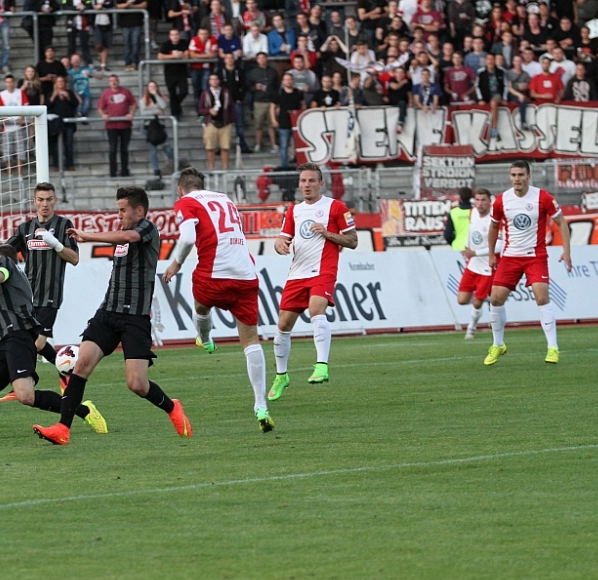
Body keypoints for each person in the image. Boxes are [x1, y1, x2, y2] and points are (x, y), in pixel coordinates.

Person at [32, 186, 193, 445]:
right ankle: (63, 428)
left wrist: (87, 235)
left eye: (123, 210)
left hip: (134, 318)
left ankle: (172, 407)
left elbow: (127, 236)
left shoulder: (147, 229)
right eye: (118, 210)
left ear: (139, 210)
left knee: (137, 384)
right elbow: (122, 237)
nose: (119, 215)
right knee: (81, 366)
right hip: (107, 313)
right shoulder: (122, 235)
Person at [0, 244, 107, 441]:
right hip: (3, 344)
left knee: (26, 396)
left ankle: (83, 410)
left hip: (18, 339)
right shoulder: (10, 271)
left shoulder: (5, 264)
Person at [161, 168, 273, 432]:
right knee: (250, 340)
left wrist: (176, 263)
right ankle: (261, 406)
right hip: (246, 274)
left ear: (180, 189)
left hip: (214, 273)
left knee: (201, 305)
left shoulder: (186, 202)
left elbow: (188, 237)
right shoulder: (225, 198)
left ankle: (205, 337)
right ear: (203, 185)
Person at [0, 182, 81, 398]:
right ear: (34, 201)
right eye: (41, 200)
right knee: (30, 341)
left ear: (55, 200)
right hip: (26, 297)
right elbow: (3, 254)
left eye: (49, 199)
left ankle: (30, 380)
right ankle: (54, 374)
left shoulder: (64, 225)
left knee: (38, 342)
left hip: (50, 294)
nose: (45, 204)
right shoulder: (25, 229)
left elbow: (74, 258)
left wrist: (55, 243)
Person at [269, 164, 358, 398]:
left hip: (323, 270)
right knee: (283, 324)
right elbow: (282, 238)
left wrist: (327, 233)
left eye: (311, 180)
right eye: (303, 181)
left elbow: (353, 241)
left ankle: (321, 366)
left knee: (316, 309)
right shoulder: (294, 211)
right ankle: (281, 376)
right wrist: (279, 244)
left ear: (321, 183)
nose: (306, 185)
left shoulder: (336, 207)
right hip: (297, 273)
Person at [485, 161, 572, 366]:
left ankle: (552, 347)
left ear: (528, 176)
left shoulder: (543, 197)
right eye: (513, 175)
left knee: (542, 297)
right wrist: (491, 254)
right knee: (495, 299)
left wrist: (566, 251)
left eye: (521, 175)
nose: (517, 179)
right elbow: (493, 227)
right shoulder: (501, 200)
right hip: (510, 257)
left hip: (535, 255)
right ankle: (498, 344)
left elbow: (561, 222)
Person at [455, 188, 503, 340]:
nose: (480, 203)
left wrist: (476, 252)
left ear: (489, 202)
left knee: (476, 303)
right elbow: (471, 232)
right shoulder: (472, 213)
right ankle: (488, 298)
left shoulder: (494, 219)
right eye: (477, 200)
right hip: (473, 265)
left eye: (483, 200)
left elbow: (499, 246)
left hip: (488, 267)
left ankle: (471, 329)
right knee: (462, 300)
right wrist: (467, 246)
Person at [98, 74, 136, 177]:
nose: (113, 82)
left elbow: (134, 104)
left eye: (115, 80)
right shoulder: (106, 94)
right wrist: (103, 115)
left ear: (118, 81)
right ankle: (112, 172)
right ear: (109, 83)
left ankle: (125, 171)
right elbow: (100, 108)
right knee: (113, 149)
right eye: (111, 81)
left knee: (124, 149)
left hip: (125, 125)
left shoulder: (126, 92)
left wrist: (131, 113)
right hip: (111, 126)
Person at [0, 74, 29, 177]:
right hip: (7, 128)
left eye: (11, 81)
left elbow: (26, 105)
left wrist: (22, 117)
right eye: (7, 82)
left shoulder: (20, 92)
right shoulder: (2, 94)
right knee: (7, 151)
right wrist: (3, 118)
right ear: (5, 83)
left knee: (20, 150)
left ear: (14, 82)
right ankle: (9, 173)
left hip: (19, 126)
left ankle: (20, 173)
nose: (9, 84)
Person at [215, 53, 250, 153]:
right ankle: (222, 146)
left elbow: (244, 86)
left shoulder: (239, 71)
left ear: (234, 59)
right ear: (224, 60)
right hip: (223, 103)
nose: (230, 60)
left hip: (236, 101)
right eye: (228, 58)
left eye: (231, 58)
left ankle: (242, 145)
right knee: (222, 124)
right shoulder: (220, 72)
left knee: (239, 125)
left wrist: (240, 98)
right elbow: (216, 86)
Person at [139, 80, 176, 175]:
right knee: (153, 150)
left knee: (167, 148)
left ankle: (173, 162)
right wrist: (156, 110)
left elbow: (163, 106)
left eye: (154, 86)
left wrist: (156, 96)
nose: (152, 88)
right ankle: (156, 169)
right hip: (149, 127)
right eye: (150, 87)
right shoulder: (143, 100)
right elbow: (143, 113)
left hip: (160, 126)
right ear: (147, 88)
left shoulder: (161, 97)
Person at [198, 72, 234, 170]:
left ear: (219, 81)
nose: (214, 81)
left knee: (225, 147)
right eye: (212, 79)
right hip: (211, 123)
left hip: (225, 123)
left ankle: (225, 168)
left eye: (215, 79)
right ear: (209, 82)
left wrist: (231, 121)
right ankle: (211, 168)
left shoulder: (226, 92)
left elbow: (231, 107)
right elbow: (200, 109)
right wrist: (209, 111)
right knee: (210, 147)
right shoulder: (205, 94)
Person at [45, 76, 80, 170]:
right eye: (58, 81)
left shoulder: (70, 92)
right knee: (56, 146)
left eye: (62, 81)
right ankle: (56, 165)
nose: (60, 83)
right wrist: (54, 96)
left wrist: (68, 97)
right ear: (55, 83)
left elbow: (76, 104)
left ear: (64, 83)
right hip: (56, 124)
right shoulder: (51, 93)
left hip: (68, 123)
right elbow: (47, 105)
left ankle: (70, 164)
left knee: (69, 144)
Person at [158, 27, 191, 120]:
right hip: (169, 73)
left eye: (176, 34)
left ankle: (176, 106)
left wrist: (180, 56)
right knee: (172, 94)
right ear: (170, 36)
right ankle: (175, 114)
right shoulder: (166, 44)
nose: (175, 37)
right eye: (173, 35)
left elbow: (187, 55)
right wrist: (174, 56)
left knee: (184, 91)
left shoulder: (184, 43)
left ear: (179, 35)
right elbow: (160, 56)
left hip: (181, 72)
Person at [271, 72, 304, 167]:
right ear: (283, 81)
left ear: (293, 81)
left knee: (299, 145)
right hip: (283, 122)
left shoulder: (298, 93)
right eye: (286, 80)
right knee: (284, 145)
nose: (288, 81)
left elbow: (303, 105)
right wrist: (273, 120)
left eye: (290, 79)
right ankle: (284, 165)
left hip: (297, 123)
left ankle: (300, 164)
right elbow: (272, 107)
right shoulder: (279, 93)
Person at [246, 52, 277, 151]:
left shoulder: (273, 71)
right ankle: (258, 144)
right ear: (257, 60)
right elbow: (248, 87)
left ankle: (274, 144)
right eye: (259, 58)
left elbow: (277, 86)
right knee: (258, 124)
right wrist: (255, 87)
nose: (262, 60)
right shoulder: (252, 72)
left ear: (267, 59)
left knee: (272, 125)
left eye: (263, 58)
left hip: (271, 101)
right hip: (259, 101)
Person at [188, 26, 218, 105]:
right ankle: (199, 110)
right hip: (195, 68)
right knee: (196, 90)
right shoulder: (194, 40)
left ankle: (206, 107)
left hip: (207, 68)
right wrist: (206, 56)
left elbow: (212, 55)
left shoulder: (213, 40)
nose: (203, 36)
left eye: (205, 34)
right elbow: (191, 55)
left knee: (205, 89)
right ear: (198, 34)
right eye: (201, 34)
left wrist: (198, 56)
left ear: (208, 34)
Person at [117, 0, 147, 70]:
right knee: (127, 44)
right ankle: (128, 63)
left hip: (137, 22)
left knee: (135, 43)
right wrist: (126, 5)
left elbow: (145, 4)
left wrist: (133, 6)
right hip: (125, 23)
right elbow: (117, 5)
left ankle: (135, 62)